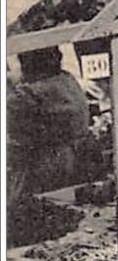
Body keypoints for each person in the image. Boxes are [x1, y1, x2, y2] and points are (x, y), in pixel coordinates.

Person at [8, 46, 91, 195]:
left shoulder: (27, 95)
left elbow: (14, 135)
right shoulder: (67, 80)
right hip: (76, 161)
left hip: (45, 168)